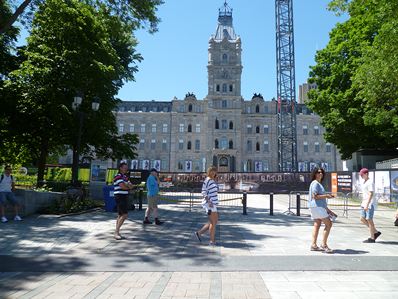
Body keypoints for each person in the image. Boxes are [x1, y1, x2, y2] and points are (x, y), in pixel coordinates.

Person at [308, 167, 335, 253]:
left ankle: (313, 245)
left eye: (321, 172)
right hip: (317, 206)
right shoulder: (316, 183)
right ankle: (324, 245)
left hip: (315, 207)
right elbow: (315, 196)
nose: (320, 174)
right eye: (318, 172)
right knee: (329, 224)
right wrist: (327, 196)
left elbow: (318, 198)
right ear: (315, 174)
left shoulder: (315, 183)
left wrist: (327, 209)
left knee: (317, 224)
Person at [195, 166, 219, 246]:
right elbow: (203, 192)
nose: (213, 173)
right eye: (212, 171)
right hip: (209, 204)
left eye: (214, 171)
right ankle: (212, 241)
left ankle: (199, 233)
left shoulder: (212, 180)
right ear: (209, 172)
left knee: (213, 221)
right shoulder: (208, 180)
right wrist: (209, 201)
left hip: (213, 204)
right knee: (213, 222)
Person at [359, 168, 381, 243]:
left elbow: (371, 194)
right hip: (364, 202)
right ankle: (375, 232)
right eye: (360, 175)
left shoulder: (370, 182)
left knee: (369, 219)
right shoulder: (364, 182)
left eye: (362, 174)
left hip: (369, 203)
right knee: (362, 218)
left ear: (366, 174)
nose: (361, 176)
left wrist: (367, 204)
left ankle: (372, 238)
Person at [113, 162, 134, 240]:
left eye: (126, 167)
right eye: (124, 167)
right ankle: (116, 232)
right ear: (120, 168)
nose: (126, 169)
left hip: (124, 196)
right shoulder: (118, 176)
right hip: (119, 196)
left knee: (120, 214)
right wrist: (128, 186)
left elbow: (131, 186)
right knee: (124, 215)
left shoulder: (125, 177)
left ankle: (117, 232)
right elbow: (123, 186)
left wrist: (128, 186)